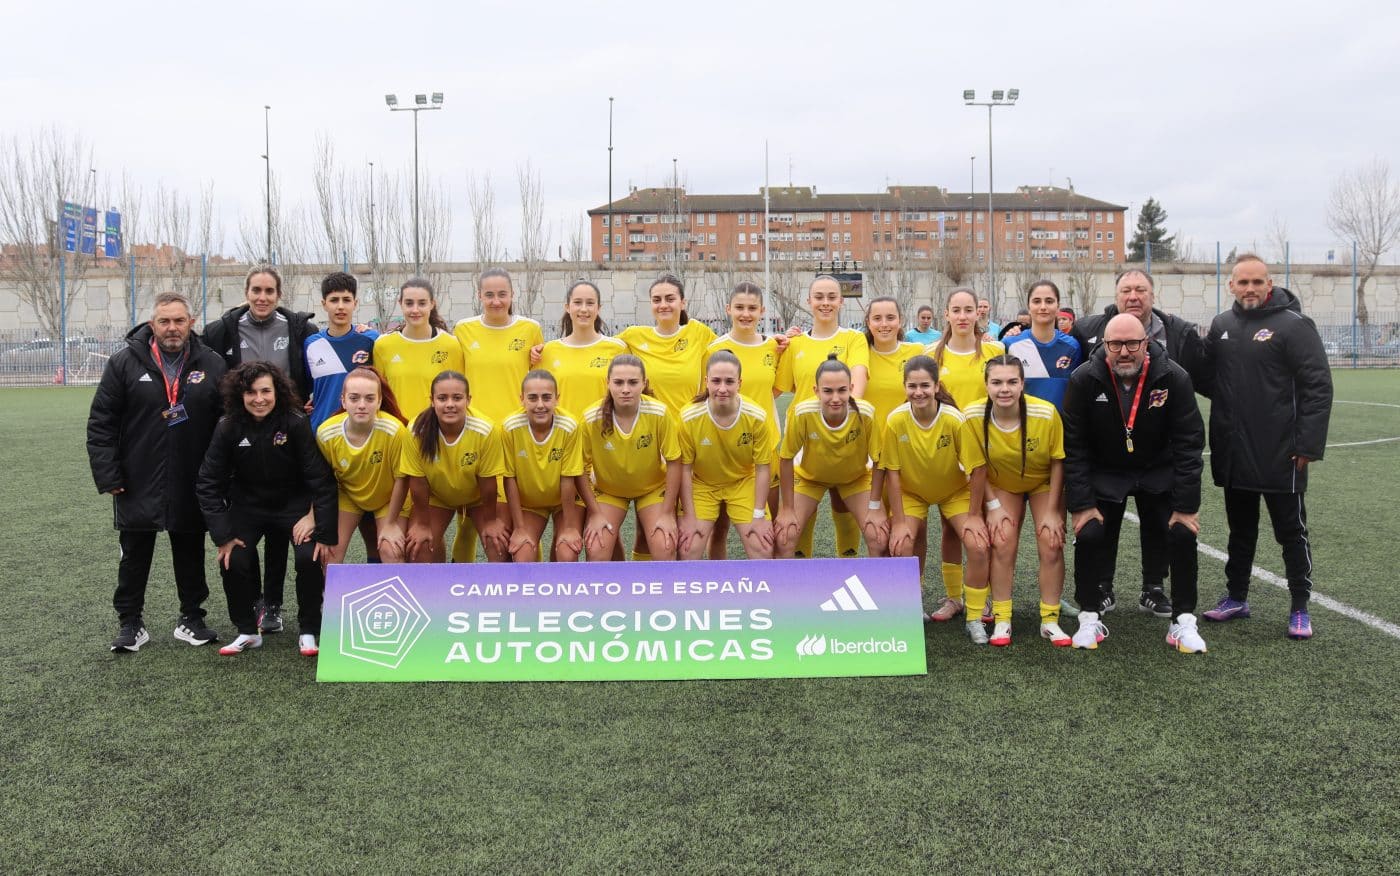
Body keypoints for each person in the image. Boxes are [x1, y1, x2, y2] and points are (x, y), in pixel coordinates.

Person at [1199, 254, 1332, 639]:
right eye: (1243, 282)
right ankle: (1236, 597)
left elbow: (1318, 386)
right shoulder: (1222, 325)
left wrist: (1307, 444)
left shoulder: (1294, 325)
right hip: (1235, 450)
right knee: (1240, 530)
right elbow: (1210, 378)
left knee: (1291, 531)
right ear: (1231, 285)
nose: (1250, 289)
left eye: (1258, 282)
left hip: (1282, 452)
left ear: (1269, 284)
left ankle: (1300, 607)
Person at [88, 291, 227, 652]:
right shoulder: (123, 363)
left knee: (190, 548)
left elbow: (226, 423)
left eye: (179, 321)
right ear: (152, 325)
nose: (172, 328)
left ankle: (191, 619)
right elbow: (101, 423)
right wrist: (109, 475)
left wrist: (219, 476)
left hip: (191, 476)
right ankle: (130, 622)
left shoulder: (211, 364)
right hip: (136, 477)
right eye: (164, 321)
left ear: (191, 323)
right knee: (134, 553)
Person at [1062, 314, 1206, 653]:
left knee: (1183, 533)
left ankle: (1183, 621)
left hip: (1157, 467)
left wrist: (1186, 508)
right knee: (1090, 532)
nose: (1124, 351)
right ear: (1103, 345)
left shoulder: (1174, 377)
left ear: (1146, 343)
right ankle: (1089, 615)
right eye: (1115, 344)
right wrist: (1081, 505)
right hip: (1106, 469)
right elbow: (1075, 446)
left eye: (1132, 344)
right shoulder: (1084, 378)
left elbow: (1189, 442)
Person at [203, 265, 319, 635]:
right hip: (244, 431)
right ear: (246, 291)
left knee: (285, 525)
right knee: (249, 522)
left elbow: (328, 356)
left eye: (269, 291)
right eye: (256, 290)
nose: (262, 297)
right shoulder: (223, 329)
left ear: (279, 295)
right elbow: (199, 358)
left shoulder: (300, 328)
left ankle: (276, 606)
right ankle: (256, 604)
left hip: (287, 425)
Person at [196, 361, 338, 657]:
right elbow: (208, 482)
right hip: (248, 507)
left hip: (293, 507)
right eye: (251, 392)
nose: (259, 399)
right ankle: (247, 631)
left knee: (309, 556)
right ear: (240, 395)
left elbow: (320, 480)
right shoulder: (227, 426)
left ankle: (309, 630)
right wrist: (222, 535)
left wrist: (321, 530)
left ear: (278, 391)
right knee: (232, 558)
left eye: (265, 391)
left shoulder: (296, 422)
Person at [874, 356, 990, 642]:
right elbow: (892, 471)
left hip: (953, 492)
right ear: (904, 387)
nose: (919, 392)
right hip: (912, 493)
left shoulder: (954, 419)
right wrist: (899, 521)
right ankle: (911, 609)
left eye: (925, 385)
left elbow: (978, 468)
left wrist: (975, 515)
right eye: (912, 386)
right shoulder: (896, 419)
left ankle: (974, 615)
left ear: (937, 385)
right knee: (901, 545)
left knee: (977, 544)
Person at [962, 355, 1070, 646]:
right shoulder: (972, 416)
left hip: (1042, 482)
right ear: (986, 385)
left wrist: (1051, 511)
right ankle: (1002, 618)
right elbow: (977, 467)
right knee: (1002, 539)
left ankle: (1049, 620)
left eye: (1012, 381)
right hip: (1000, 485)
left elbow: (1059, 462)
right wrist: (993, 507)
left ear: (1023, 384)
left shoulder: (1046, 414)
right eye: (996, 382)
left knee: (1050, 540)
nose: (1004, 389)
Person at [923, 288, 1004, 623]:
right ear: (946, 314)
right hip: (950, 455)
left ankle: (981, 598)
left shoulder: (995, 350)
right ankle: (953, 597)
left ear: (977, 313)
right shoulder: (931, 354)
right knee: (951, 526)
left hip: (989, 449)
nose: (962, 316)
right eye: (956, 310)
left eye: (968, 309)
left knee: (985, 526)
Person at [776, 275, 870, 559]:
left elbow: (859, 381)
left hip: (844, 435)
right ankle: (801, 579)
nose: (825, 303)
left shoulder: (853, 339)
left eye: (831, 297)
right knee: (800, 517)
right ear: (809, 302)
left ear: (841, 301)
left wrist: (843, 419)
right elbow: (776, 388)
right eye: (819, 297)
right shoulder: (795, 344)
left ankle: (848, 566)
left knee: (843, 504)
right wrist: (773, 346)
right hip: (805, 441)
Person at [774, 354, 887, 559]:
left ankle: (876, 590)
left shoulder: (866, 413)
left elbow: (879, 460)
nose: (835, 398)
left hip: (855, 478)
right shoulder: (803, 413)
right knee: (785, 536)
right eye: (828, 391)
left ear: (851, 388)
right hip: (810, 478)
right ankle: (789, 589)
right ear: (816, 391)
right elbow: (786, 458)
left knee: (878, 536)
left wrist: (875, 506)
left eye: (842, 390)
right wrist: (787, 509)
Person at [305, 272, 383, 562]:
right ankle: (328, 597)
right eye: (334, 300)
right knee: (328, 529)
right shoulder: (310, 343)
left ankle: (378, 586)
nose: (340, 306)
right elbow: (306, 387)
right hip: (323, 441)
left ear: (355, 303)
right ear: (324, 303)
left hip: (365, 438)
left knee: (373, 529)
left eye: (346, 300)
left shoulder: (372, 340)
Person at [579, 355, 683, 561]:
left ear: (644, 383)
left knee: (665, 544)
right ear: (607, 383)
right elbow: (579, 468)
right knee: (596, 548)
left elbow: (674, 462)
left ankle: (651, 587)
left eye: (633, 382)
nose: (625, 389)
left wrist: (667, 513)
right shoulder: (591, 418)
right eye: (618, 382)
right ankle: (617, 588)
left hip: (651, 489)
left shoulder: (659, 413)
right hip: (609, 491)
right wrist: (595, 512)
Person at [706, 283, 785, 555]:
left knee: (768, 526)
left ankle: (773, 589)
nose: (745, 314)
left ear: (762, 311)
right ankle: (719, 585)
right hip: (723, 447)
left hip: (765, 445)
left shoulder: (774, 347)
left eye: (752, 308)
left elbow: (773, 390)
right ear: (728, 309)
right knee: (719, 528)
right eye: (739, 307)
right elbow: (706, 394)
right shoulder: (715, 349)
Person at [398, 371, 509, 563]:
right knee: (420, 546)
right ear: (432, 400)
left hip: (478, 497)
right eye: (442, 398)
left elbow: (488, 485)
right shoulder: (417, 431)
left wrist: (491, 521)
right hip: (437, 496)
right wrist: (423, 524)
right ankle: (439, 582)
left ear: (468, 400)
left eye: (457, 398)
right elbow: (418, 483)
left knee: (498, 545)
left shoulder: (486, 430)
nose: (450, 404)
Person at [677, 351, 776, 560]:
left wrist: (758, 515)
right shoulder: (689, 417)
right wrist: (689, 516)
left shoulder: (756, 417)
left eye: (729, 381)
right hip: (703, 484)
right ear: (706, 382)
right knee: (688, 547)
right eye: (716, 381)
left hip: (742, 482)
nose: (722, 388)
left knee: (762, 547)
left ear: (739, 383)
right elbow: (684, 470)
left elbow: (762, 468)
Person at [315, 367, 410, 566]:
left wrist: (391, 523)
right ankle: (328, 597)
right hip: (348, 497)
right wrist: (310, 516)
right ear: (343, 400)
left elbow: (402, 480)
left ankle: (398, 596)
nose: (361, 405)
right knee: (328, 554)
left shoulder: (395, 431)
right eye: (354, 398)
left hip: (388, 498)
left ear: (379, 401)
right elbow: (320, 482)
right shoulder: (326, 433)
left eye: (369, 398)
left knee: (391, 551)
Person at [501, 370, 587, 563]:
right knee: (522, 554)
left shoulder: (569, 426)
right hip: (530, 503)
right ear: (522, 399)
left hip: (564, 502)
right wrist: (520, 527)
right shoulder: (509, 427)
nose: (540, 404)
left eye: (546, 398)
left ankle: (562, 592)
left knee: (566, 552)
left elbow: (568, 478)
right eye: (532, 398)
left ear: (557, 399)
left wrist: (570, 527)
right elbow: (510, 479)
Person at [374, 277, 465, 422]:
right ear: (400, 304)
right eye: (409, 303)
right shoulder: (383, 345)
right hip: (398, 432)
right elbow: (379, 395)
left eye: (422, 303)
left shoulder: (451, 345)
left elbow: (458, 394)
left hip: (436, 432)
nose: (415, 310)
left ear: (432, 304)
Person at [537, 279, 627, 412]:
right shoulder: (548, 351)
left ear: (598, 308)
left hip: (602, 430)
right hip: (565, 431)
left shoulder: (618, 349)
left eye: (590, 303)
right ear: (567, 307)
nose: (584, 309)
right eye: (578, 302)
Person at [1003, 280, 1082, 412]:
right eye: (1037, 301)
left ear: (1058, 307)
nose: (1043, 307)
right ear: (1029, 306)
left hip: (1060, 427)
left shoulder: (1072, 347)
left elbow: (1076, 394)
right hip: (1022, 426)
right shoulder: (1011, 344)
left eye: (1049, 301)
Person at [862, 296, 926, 435]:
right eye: (877, 318)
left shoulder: (917, 351)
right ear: (868, 322)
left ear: (900, 320)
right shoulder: (859, 354)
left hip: (906, 443)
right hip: (867, 447)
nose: (884, 324)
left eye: (890, 318)